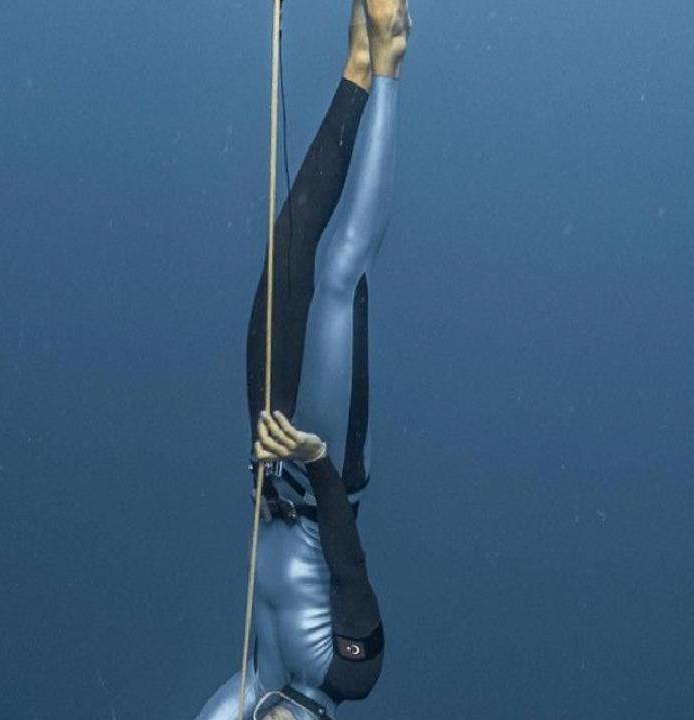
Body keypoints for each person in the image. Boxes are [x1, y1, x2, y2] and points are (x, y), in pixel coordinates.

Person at [193, 1, 410, 719]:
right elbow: (349, 572)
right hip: (328, 464)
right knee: (341, 271)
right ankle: (389, 63)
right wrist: (316, 460)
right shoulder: (347, 677)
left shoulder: (257, 681)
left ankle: (355, 73)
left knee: (287, 253)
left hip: (267, 450)